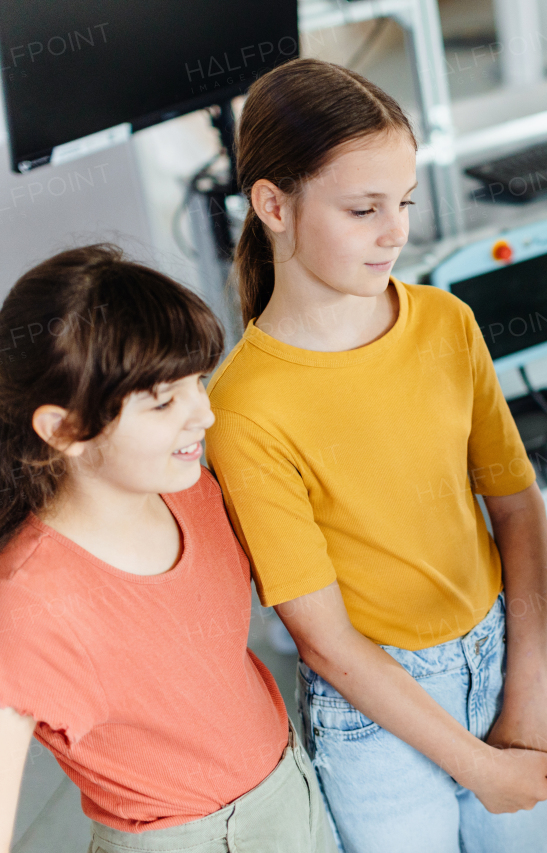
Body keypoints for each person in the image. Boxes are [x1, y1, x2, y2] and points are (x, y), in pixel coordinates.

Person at [203, 58, 547, 853]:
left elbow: (516, 505)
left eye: (402, 202)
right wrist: (476, 763)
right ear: (272, 204)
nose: (397, 230)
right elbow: (326, 640)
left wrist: (530, 691)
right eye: (364, 208)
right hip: (375, 721)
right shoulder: (243, 407)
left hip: (500, 659)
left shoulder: (446, 322)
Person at [0, 245, 335, 853]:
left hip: (290, 790)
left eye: (198, 382)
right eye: (162, 401)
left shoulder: (193, 491)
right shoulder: (26, 603)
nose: (203, 414)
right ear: (63, 430)